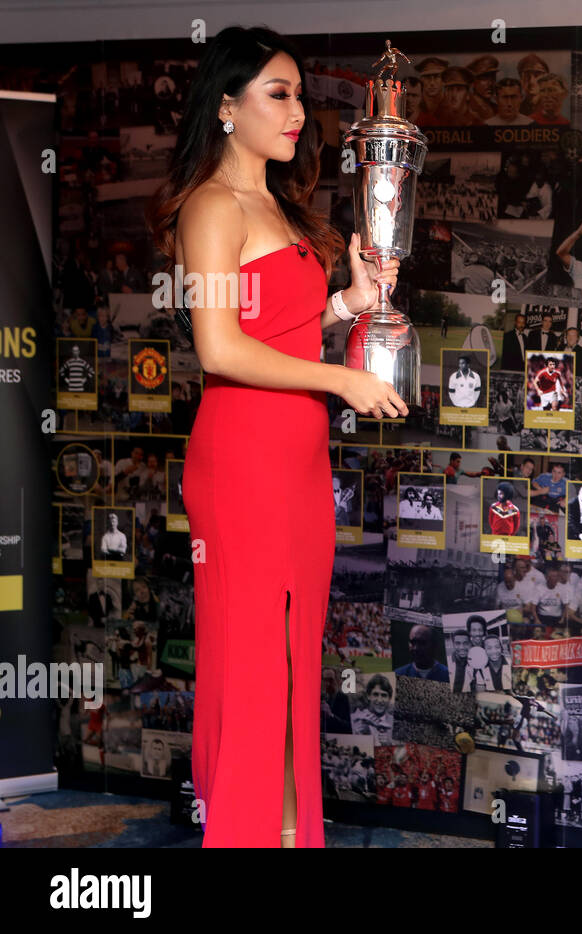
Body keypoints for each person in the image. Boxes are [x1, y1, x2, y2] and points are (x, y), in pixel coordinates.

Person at [149, 26, 405, 848]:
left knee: (295, 661)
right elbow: (219, 348)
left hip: (297, 457)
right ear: (227, 107)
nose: (299, 111)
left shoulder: (277, 205)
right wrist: (343, 380)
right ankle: (247, 834)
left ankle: (291, 835)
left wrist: (348, 305)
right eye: (278, 94)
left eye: (298, 94)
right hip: (243, 460)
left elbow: (285, 327)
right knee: (253, 665)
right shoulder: (209, 208)